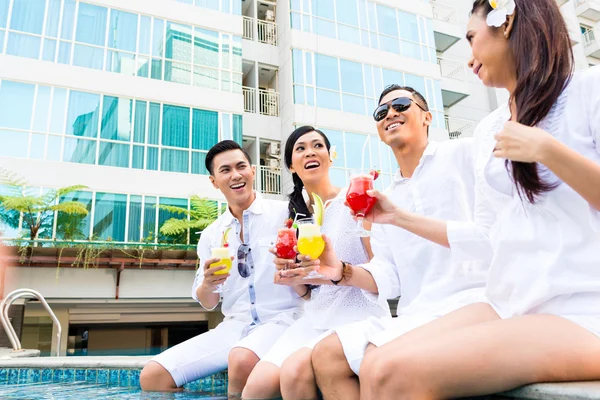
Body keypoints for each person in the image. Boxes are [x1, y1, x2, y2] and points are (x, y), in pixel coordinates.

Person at [355, 1, 600, 399]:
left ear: (508, 25)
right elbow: (486, 235)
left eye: (471, 39)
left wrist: (547, 151)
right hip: (512, 303)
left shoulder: (588, 90)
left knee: (398, 374)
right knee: (376, 365)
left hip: (582, 306)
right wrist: (398, 217)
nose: (469, 60)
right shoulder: (490, 129)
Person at [307, 85, 492, 400]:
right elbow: (388, 275)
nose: (390, 113)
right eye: (381, 112)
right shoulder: (386, 197)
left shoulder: (466, 154)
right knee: (325, 356)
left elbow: (494, 235)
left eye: (402, 105)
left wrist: (398, 218)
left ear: (427, 118)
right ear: (380, 130)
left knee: (379, 366)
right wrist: (339, 271)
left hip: (478, 301)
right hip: (418, 314)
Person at [139, 140, 303, 398]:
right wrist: (208, 283)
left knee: (241, 360)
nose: (235, 175)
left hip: (284, 319)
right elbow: (207, 302)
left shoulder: (286, 214)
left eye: (241, 167)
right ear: (214, 181)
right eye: (225, 170)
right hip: (234, 328)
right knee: (153, 375)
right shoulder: (211, 235)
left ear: (252, 171)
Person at [241, 126, 390, 400]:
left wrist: (337, 272)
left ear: (330, 157)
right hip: (317, 317)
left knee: (293, 372)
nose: (310, 151)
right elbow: (310, 293)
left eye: (317, 145)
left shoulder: (356, 201)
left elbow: (383, 271)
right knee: (255, 389)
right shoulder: (297, 219)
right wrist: (294, 279)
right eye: (301, 148)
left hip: (358, 314)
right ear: (291, 166)